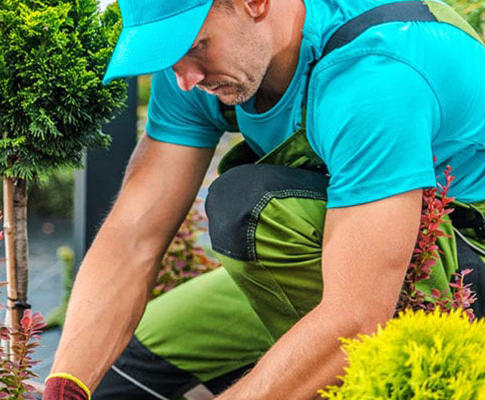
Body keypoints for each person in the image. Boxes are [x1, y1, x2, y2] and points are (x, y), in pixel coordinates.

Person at [41, 0, 485, 398]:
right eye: (171, 55)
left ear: (255, 3)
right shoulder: (199, 70)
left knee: (249, 208)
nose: (184, 78)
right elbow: (133, 236)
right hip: (348, 248)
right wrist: (63, 387)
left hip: (456, 267)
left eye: (196, 46)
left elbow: (357, 317)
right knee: (123, 371)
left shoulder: (373, 76)